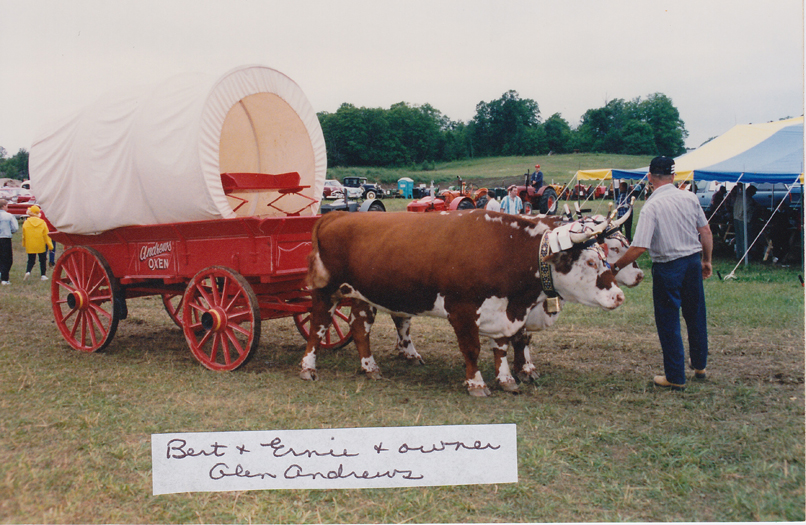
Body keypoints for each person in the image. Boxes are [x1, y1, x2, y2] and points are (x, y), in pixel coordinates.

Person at [611, 156, 712, 391]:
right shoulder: (690, 197)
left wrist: (615, 267)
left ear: (649, 178)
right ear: (674, 176)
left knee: (669, 322)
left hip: (668, 267)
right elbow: (705, 231)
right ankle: (699, 366)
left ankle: (675, 376)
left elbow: (639, 247)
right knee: (696, 315)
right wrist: (706, 260)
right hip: (692, 262)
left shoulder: (652, 206)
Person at [22, 205, 54, 281]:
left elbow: (24, 235)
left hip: (30, 244)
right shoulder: (42, 222)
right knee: (42, 260)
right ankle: (43, 275)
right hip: (41, 244)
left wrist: (24, 243)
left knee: (31, 260)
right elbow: (46, 235)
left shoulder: (26, 222)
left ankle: (28, 271)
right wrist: (50, 246)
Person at [733, 184, 758, 260]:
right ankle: (746, 256)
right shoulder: (748, 199)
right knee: (745, 238)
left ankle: (739, 254)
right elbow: (748, 209)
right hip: (743, 219)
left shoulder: (739, 196)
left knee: (738, 238)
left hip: (736, 218)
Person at [0, 198, 18, 285]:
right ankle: (4, 278)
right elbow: (15, 228)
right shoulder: (9, 216)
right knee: (7, 259)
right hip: (5, 238)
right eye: (7, 206)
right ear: (3, 206)